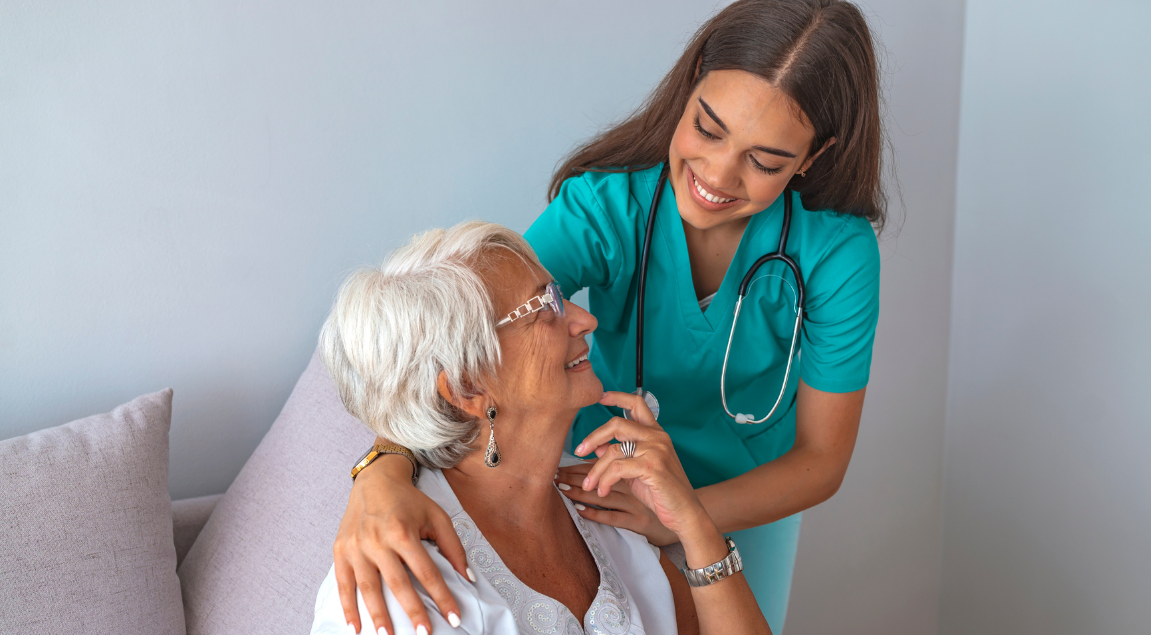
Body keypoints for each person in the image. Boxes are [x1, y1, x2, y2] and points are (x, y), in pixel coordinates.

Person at [335, 1, 887, 633]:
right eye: (708, 129)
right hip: (603, 487)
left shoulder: (837, 255)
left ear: (814, 157)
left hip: (744, 508)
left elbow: (822, 457)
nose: (717, 174)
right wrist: (380, 471)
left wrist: (686, 517)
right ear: (694, 78)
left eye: (764, 163)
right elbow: (468, 340)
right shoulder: (608, 207)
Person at [310, 221, 771, 635]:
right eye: (545, 307)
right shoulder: (398, 584)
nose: (585, 319)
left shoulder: (605, 501)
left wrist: (695, 528)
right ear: (470, 387)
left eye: (560, 294)